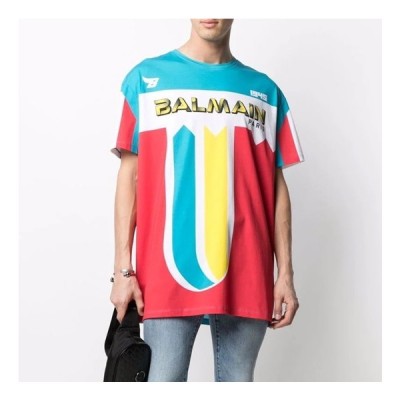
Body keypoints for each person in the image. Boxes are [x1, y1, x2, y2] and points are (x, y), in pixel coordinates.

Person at [109, 19, 304, 382]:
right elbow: (130, 177)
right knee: (163, 381)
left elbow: (276, 188)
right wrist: (123, 270)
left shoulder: (265, 91)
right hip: (165, 274)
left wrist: (286, 275)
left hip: (246, 271)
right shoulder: (145, 79)